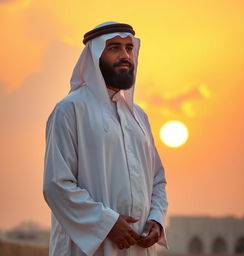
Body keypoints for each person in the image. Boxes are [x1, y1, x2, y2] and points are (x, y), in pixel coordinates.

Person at [43, 21, 168, 256]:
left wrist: (156, 218)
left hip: (138, 248)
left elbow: (157, 180)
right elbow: (56, 184)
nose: (125, 55)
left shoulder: (138, 116)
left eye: (129, 48)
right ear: (95, 55)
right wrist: (107, 223)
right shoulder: (70, 110)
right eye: (114, 48)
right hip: (87, 248)